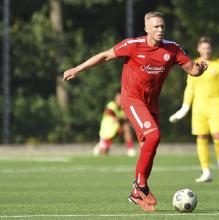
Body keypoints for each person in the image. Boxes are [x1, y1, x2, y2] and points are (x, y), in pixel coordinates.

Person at [63, 11, 208, 211]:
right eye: (156, 26)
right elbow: (105, 55)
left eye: (162, 26)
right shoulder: (133, 45)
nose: (160, 30)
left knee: (149, 145)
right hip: (132, 100)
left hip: (151, 104)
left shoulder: (172, 48)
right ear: (146, 28)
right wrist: (77, 69)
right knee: (154, 135)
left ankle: (136, 192)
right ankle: (140, 186)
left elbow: (192, 69)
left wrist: (200, 69)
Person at [169, 36, 219, 183]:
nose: (207, 50)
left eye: (209, 47)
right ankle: (206, 171)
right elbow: (189, 88)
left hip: (215, 106)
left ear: (212, 48)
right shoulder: (194, 64)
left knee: (218, 137)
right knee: (201, 137)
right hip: (199, 108)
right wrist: (184, 108)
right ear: (199, 49)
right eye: (203, 48)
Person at [92, 92, 137, 157]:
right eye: (119, 99)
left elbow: (127, 118)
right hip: (108, 131)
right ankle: (99, 147)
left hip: (117, 129)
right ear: (116, 100)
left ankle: (130, 149)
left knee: (126, 127)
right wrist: (121, 118)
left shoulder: (123, 108)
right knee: (104, 153)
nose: (120, 101)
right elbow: (109, 113)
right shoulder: (111, 105)